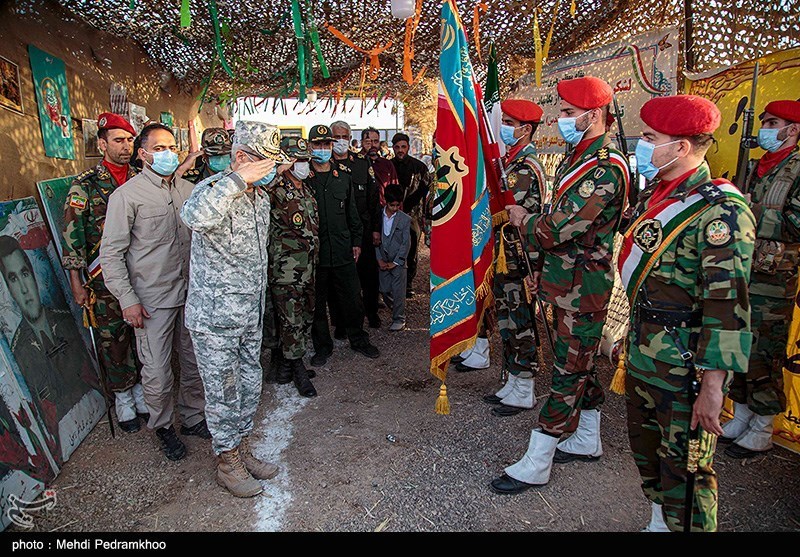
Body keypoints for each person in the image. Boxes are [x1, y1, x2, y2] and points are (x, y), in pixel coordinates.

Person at [616, 95, 755, 531]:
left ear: (680, 147)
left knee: (687, 476)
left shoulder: (720, 211)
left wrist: (713, 387)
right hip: (645, 355)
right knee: (650, 461)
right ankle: (660, 523)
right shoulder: (658, 195)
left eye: (650, 138)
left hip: (685, 369)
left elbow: (727, 308)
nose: (642, 145)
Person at [492, 76, 629, 493]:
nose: (562, 120)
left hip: (584, 288)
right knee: (578, 362)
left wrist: (523, 220)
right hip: (566, 281)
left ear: (594, 114)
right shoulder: (578, 156)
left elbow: (558, 228)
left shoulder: (604, 167)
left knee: (568, 371)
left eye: (569, 113)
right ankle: (587, 437)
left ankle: (539, 459)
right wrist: (541, 269)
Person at [180, 120, 287, 498]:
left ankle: (240, 448)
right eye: (266, 162)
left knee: (249, 386)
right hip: (216, 319)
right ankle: (227, 462)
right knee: (224, 393)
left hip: (248, 313)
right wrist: (237, 180)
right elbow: (194, 217)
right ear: (241, 157)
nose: (273, 169)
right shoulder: (212, 189)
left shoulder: (260, 198)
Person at [100, 123, 208, 462]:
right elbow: (111, 255)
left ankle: (192, 417)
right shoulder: (126, 196)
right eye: (159, 148)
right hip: (152, 300)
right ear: (143, 154)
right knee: (158, 371)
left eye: (172, 147)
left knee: (193, 362)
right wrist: (127, 299)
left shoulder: (190, 191)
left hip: (190, 293)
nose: (168, 154)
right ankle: (163, 427)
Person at [721, 99, 800, 459]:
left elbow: (795, 224)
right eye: (764, 122)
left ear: (792, 129)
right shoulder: (756, 166)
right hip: (742, 268)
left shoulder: (796, 169)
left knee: (764, 352)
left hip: (774, 279)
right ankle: (741, 415)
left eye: (772, 123)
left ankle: (764, 425)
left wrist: (749, 209)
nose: (764, 129)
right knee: (738, 344)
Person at [61, 112, 146, 433]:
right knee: (113, 336)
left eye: (130, 140)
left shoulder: (142, 177)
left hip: (141, 271)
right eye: (118, 140)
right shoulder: (85, 185)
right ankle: (123, 396)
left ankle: (142, 389)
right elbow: (73, 234)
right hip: (104, 276)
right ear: (102, 144)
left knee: (142, 333)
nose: (126, 147)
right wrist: (76, 280)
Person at [0, 236, 99, 456]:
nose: (24, 289)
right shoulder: (20, 353)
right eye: (13, 279)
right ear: (8, 288)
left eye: (25, 274)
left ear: (33, 276)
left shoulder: (66, 321)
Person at [480, 99, 546, 418]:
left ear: (525, 129)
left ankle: (525, 386)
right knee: (507, 319)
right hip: (505, 254)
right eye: (503, 121)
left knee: (520, 321)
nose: (503, 127)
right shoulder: (512, 161)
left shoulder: (525, 166)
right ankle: (513, 380)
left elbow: (504, 208)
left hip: (519, 257)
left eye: (509, 123)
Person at [306, 124, 380, 366]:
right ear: (310, 147)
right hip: (316, 253)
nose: (323, 148)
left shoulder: (343, 177)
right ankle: (322, 347)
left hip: (342, 248)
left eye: (326, 144)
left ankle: (358, 339)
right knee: (318, 304)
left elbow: (352, 214)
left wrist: (357, 241)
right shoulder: (304, 179)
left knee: (352, 298)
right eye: (318, 144)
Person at [264, 136, 318, 398]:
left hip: (307, 266)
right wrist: (277, 172)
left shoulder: (306, 189)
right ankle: (297, 368)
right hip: (285, 268)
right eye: (298, 160)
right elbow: (259, 194)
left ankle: (286, 365)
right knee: (290, 319)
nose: (303, 164)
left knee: (304, 315)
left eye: (306, 159)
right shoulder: (274, 188)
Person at [331, 120, 381, 329]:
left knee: (369, 275)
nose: (341, 141)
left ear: (350, 138)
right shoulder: (325, 164)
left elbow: (373, 198)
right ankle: (341, 322)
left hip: (364, 228)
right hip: (337, 231)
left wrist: (376, 229)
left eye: (345, 137)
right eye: (337, 137)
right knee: (338, 279)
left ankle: (372, 313)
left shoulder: (361, 162)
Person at [390, 132, 432, 298]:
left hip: (413, 215)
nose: (400, 150)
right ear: (393, 148)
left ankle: (408, 284)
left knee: (412, 249)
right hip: (392, 214)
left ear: (408, 147)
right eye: (397, 147)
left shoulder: (419, 167)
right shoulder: (389, 166)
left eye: (403, 147)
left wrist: (411, 207)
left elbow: (425, 188)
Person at [376, 184, 411, 331]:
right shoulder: (378, 216)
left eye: (397, 205)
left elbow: (406, 243)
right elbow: (375, 240)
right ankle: (395, 308)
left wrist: (397, 261)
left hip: (398, 261)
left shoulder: (405, 219)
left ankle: (399, 318)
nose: (395, 208)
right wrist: (379, 259)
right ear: (386, 201)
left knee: (398, 292)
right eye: (392, 205)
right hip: (383, 259)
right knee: (384, 289)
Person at [361, 127, 400, 206]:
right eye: (368, 142)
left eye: (376, 141)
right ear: (362, 142)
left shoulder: (387, 164)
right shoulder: (355, 163)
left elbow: (395, 190)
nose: (372, 145)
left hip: (382, 207)